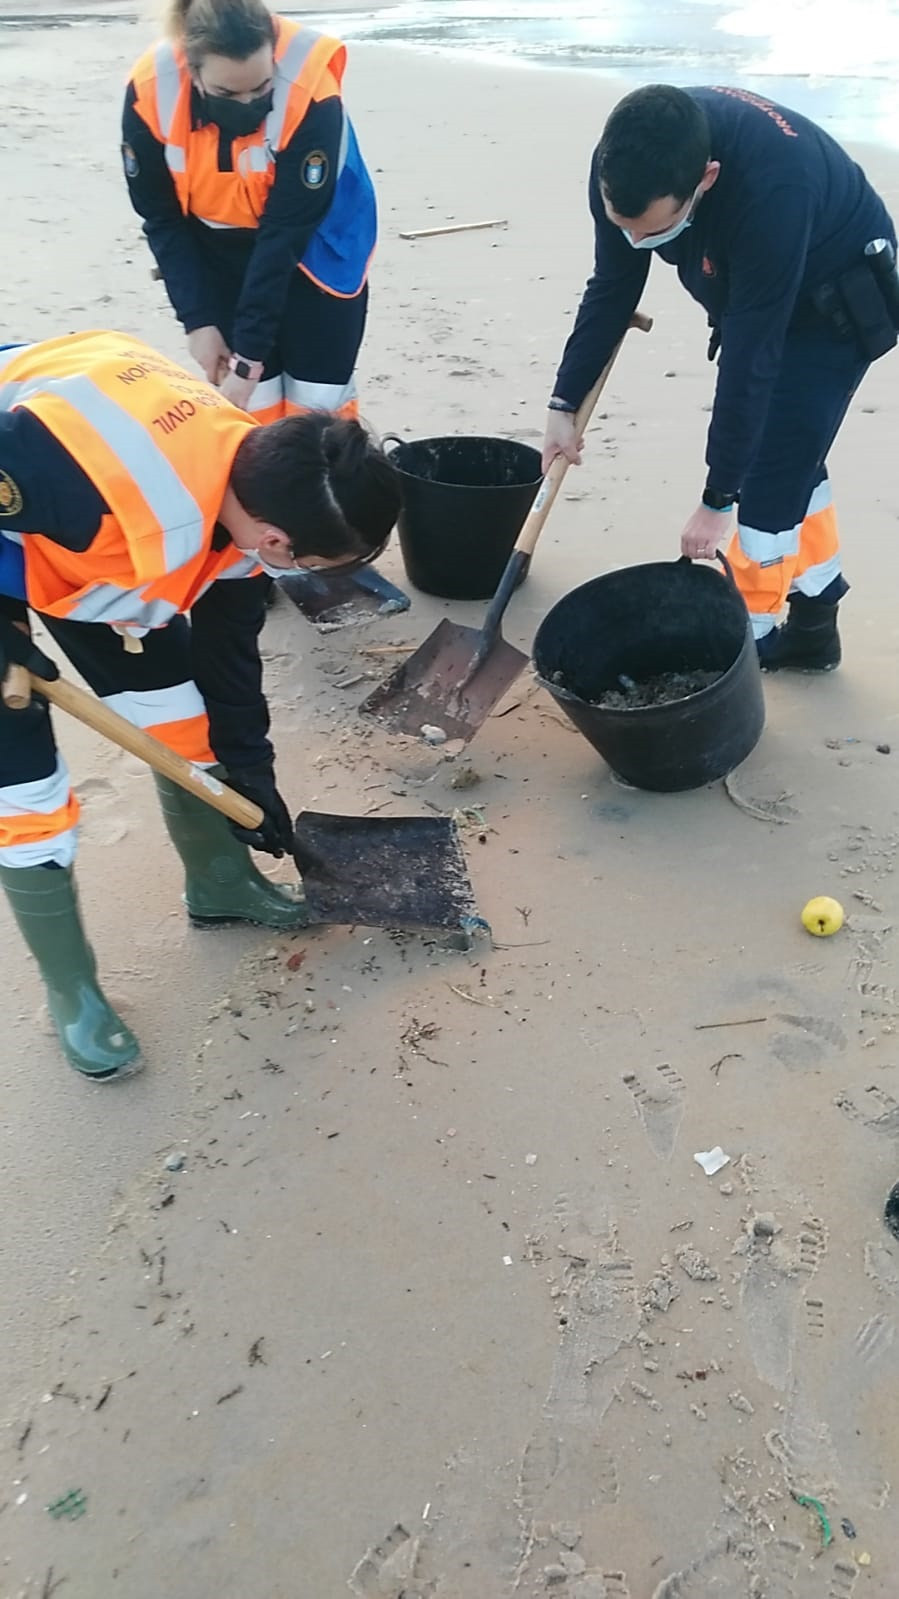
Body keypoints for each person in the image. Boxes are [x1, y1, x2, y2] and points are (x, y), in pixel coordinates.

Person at [0, 329, 401, 1081]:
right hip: (36, 500)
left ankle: (219, 883)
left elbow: (228, 649)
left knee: (188, 724)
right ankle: (73, 990)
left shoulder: (249, 479)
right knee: (25, 793)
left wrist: (250, 772)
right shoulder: (87, 484)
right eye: (318, 566)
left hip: (70, 548)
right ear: (280, 543)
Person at [543, 85, 899, 670]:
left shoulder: (773, 192)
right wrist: (564, 403)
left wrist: (717, 499)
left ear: (705, 180)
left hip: (835, 287)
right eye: (621, 224)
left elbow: (751, 356)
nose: (636, 241)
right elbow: (612, 285)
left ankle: (746, 643)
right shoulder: (625, 163)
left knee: (767, 472)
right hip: (750, 275)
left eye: (653, 229)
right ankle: (815, 624)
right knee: (792, 453)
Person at [122, 0, 376, 425]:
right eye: (226, 93)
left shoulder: (310, 89)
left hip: (315, 246)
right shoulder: (151, 89)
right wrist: (198, 321)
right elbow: (161, 218)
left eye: (261, 88)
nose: (247, 103)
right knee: (250, 412)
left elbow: (284, 232)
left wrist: (248, 360)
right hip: (216, 244)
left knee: (318, 405)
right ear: (193, 70)